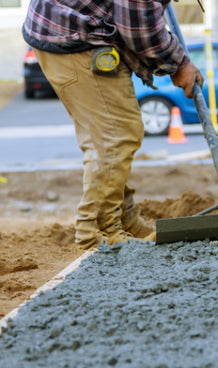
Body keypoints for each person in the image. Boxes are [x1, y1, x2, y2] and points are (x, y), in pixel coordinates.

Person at [22, 0, 204, 250]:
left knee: (110, 136)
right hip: (74, 36)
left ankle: (122, 219)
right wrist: (178, 62)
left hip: (66, 28)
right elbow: (138, 26)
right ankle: (99, 232)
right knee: (115, 136)